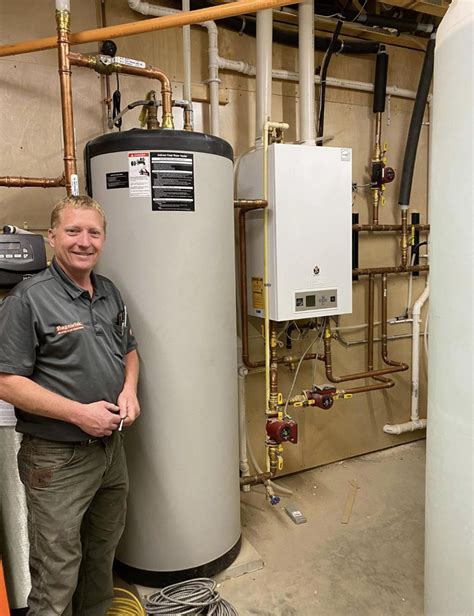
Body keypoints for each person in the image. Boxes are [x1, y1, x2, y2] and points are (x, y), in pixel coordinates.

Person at [0, 195, 140, 615]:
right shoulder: (29, 300)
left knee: (101, 556)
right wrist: (78, 413)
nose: (84, 241)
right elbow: (6, 382)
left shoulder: (108, 290)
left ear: (104, 239)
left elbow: (129, 349)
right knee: (56, 573)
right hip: (57, 460)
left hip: (110, 452)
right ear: (52, 236)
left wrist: (130, 390)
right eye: (73, 231)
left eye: (93, 232)